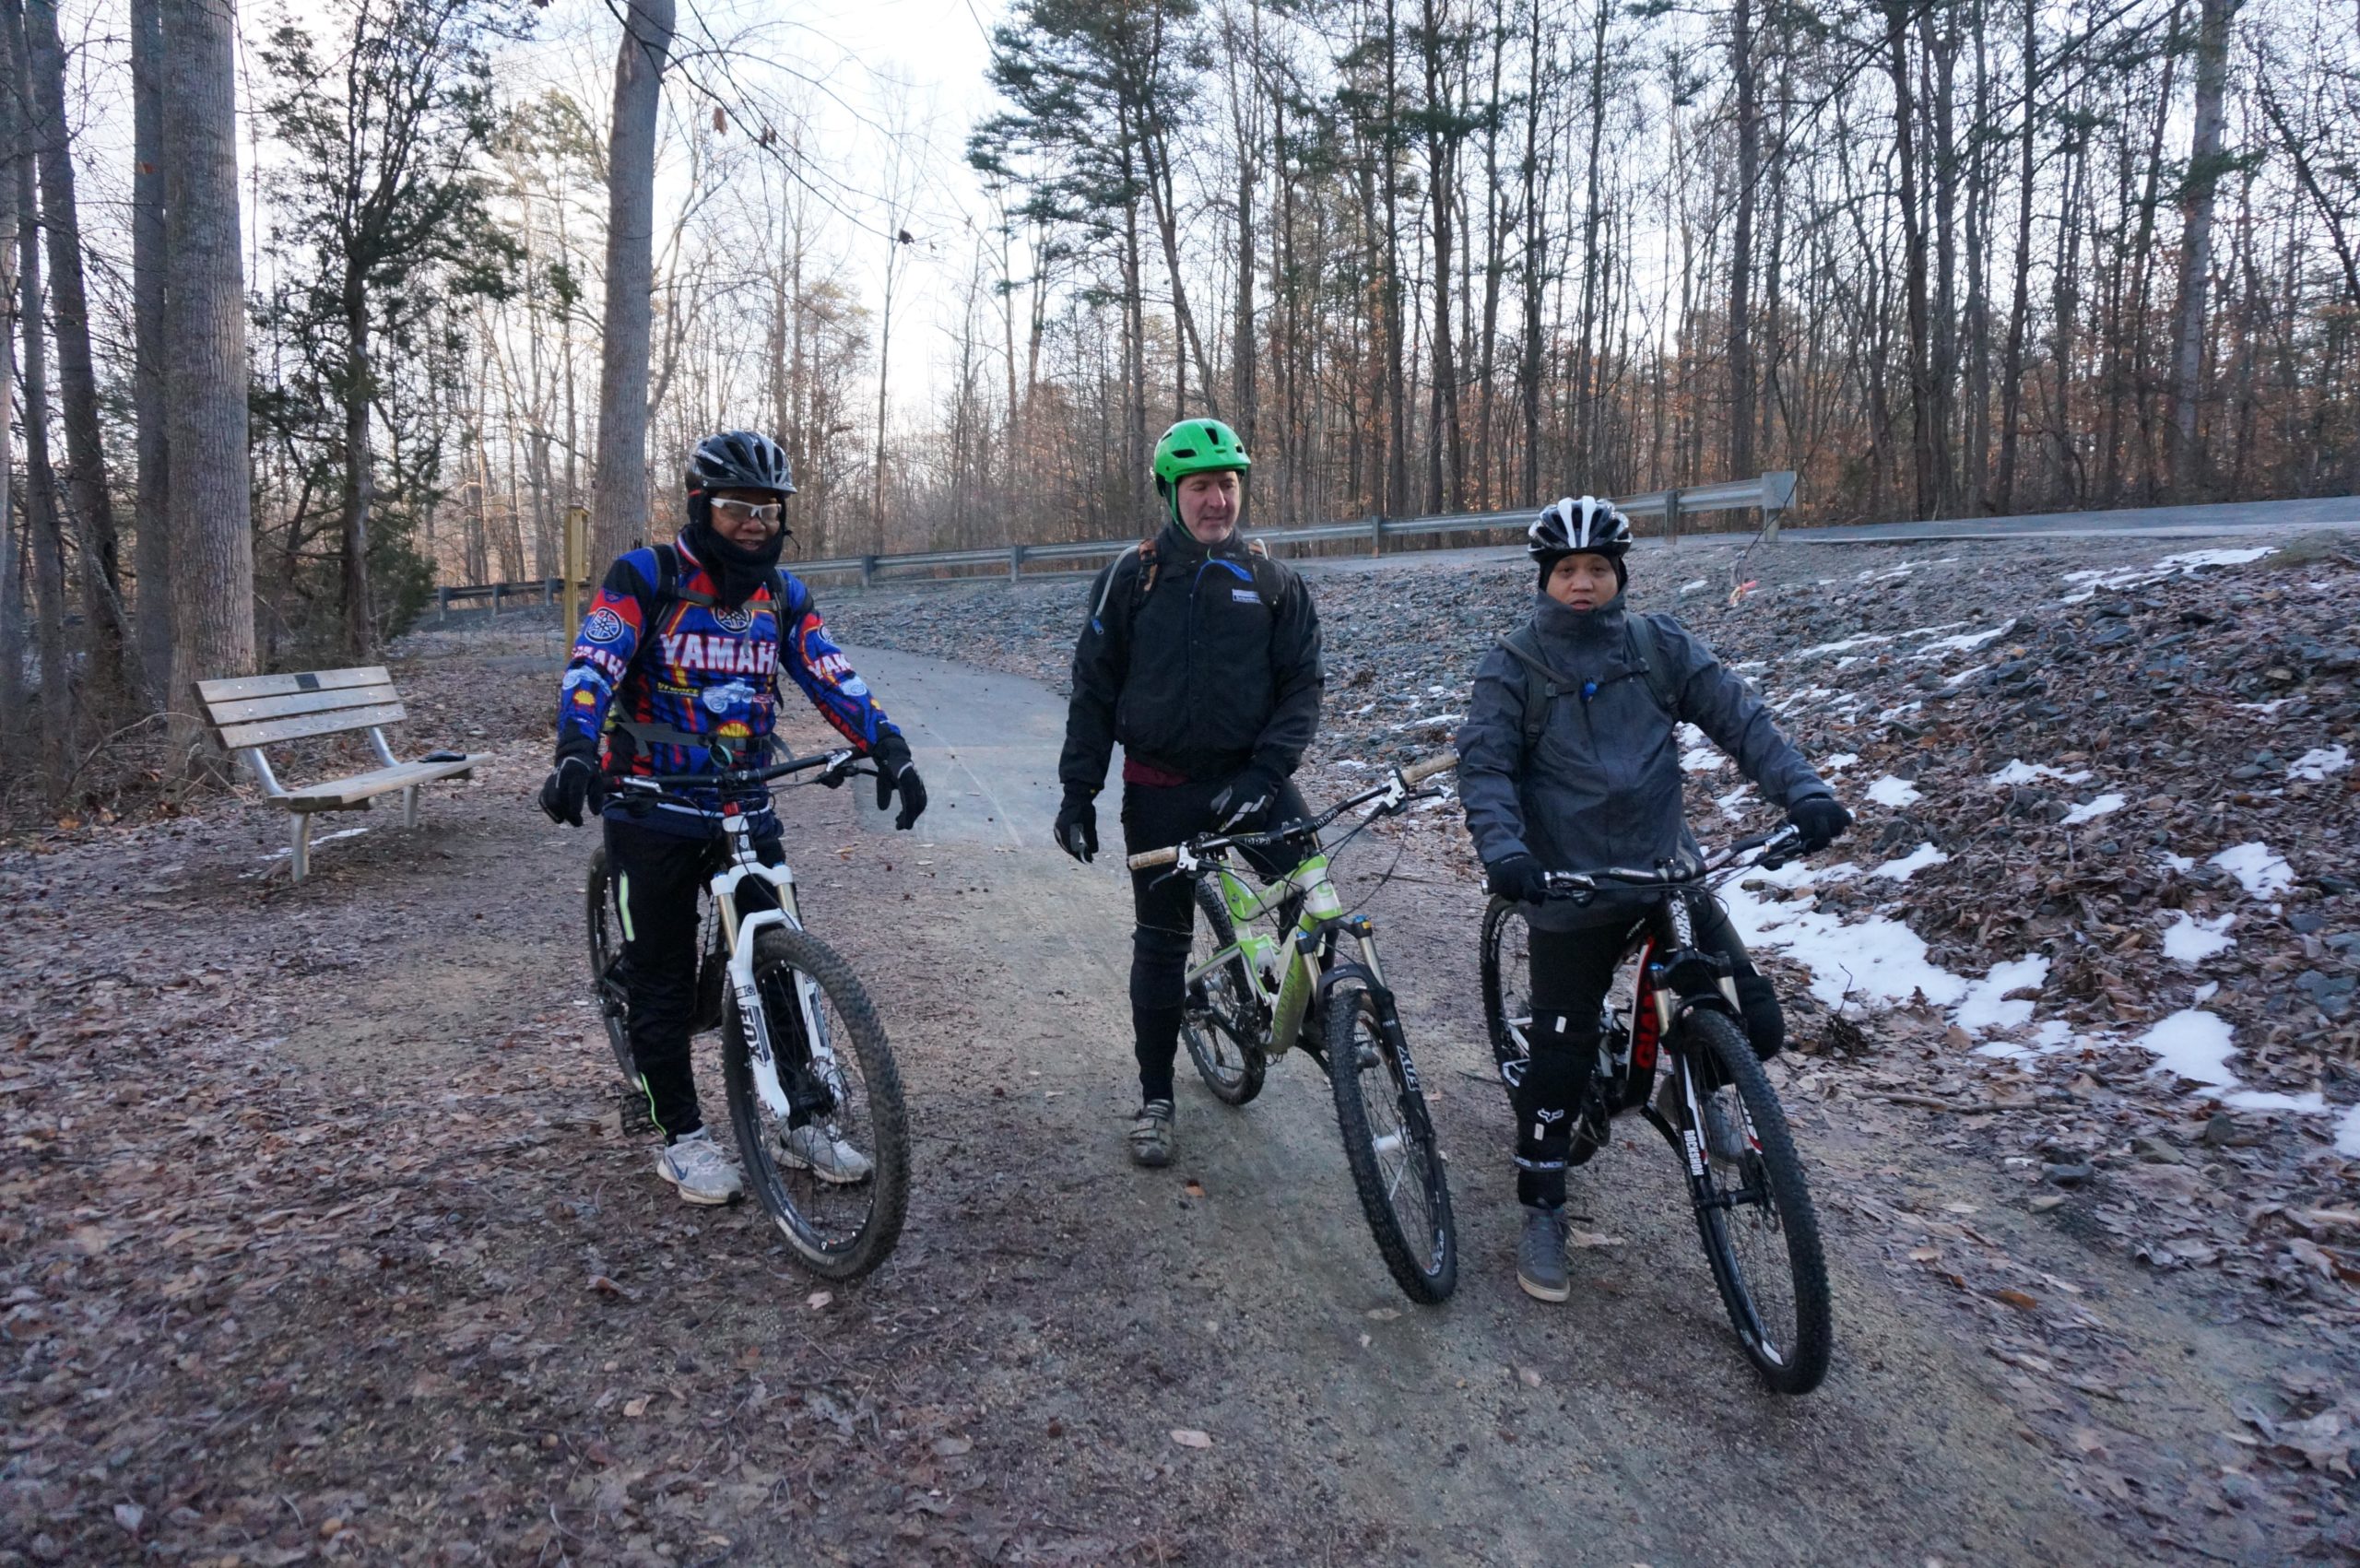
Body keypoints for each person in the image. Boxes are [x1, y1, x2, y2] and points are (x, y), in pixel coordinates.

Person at [1453, 495, 1851, 1303]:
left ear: (1619, 574)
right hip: (1569, 886)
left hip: (1666, 870)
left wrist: (1804, 793)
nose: (1583, 583)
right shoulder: (1514, 665)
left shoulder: (1658, 644)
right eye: (1567, 569)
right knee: (1559, 1066)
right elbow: (1486, 766)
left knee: (1757, 1018)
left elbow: (1743, 721)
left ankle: (1693, 1082)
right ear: (1545, 579)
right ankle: (1543, 1207)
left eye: (1598, 567)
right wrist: (1507, 854)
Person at [538, 430, 929, 1205]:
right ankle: (682, 1136)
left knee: (780, 966)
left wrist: (888, 744)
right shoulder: (645, 576)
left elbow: (830, 672)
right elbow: (595, 662)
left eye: (769, 508)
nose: (754, 522)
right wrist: (577, 747)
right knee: (661, 977)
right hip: (651, 805)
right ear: (700, 506)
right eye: (736, 507)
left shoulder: (781, 595)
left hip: (745, 799)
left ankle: (803, 1116)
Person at [1054, 419, 1325, 1168]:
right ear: (1170, 494)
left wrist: (1268, 772)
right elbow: (1093, 689)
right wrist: (1080, 791)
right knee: (1163, 945)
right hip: (1160, 789)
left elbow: (1302, 682)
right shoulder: (1132, 577)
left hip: (1252, 783)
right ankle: (1156, 1098)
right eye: (1200, 486)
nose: (1216, 501)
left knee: (1315, 891)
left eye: (1227, 485)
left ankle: (1299, 1006)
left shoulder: (1271, 581)